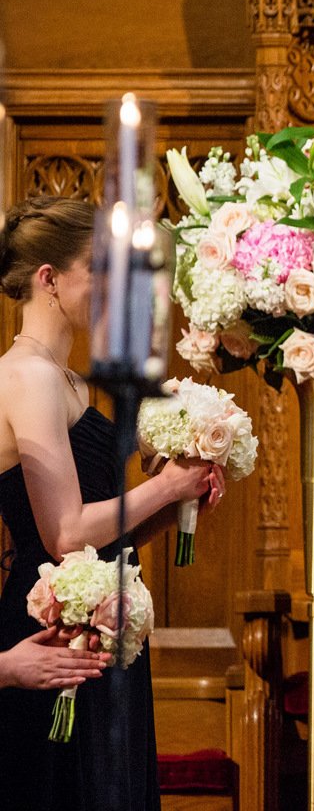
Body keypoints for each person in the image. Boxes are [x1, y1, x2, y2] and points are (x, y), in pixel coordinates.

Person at [0, 194, 224, 810]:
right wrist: (166, 485)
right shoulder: (28, 376)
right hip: (48, 637)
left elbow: (99, 535)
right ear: (49, 279)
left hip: (99, 626)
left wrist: (175, 506)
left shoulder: (67, 378)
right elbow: (66, 534)